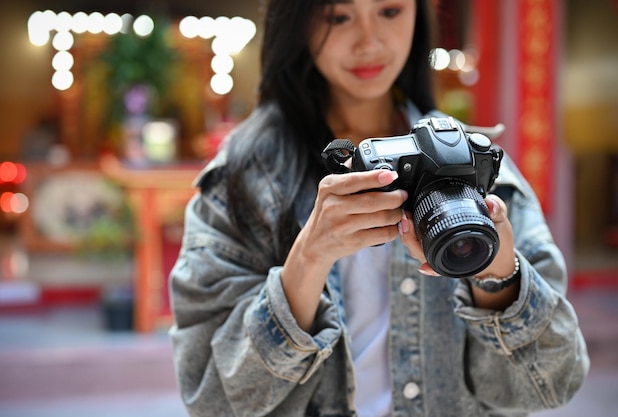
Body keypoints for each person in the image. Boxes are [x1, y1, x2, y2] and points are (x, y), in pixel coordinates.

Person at [168, 0, 589, 416]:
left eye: (390, 11)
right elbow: (212, 401)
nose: (369, 42)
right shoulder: (241, 179)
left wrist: (497, 277)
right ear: (297, 22)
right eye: (339, 16)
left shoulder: (479, 167)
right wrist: (309, 258)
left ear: (417, 16)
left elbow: (553, 384)